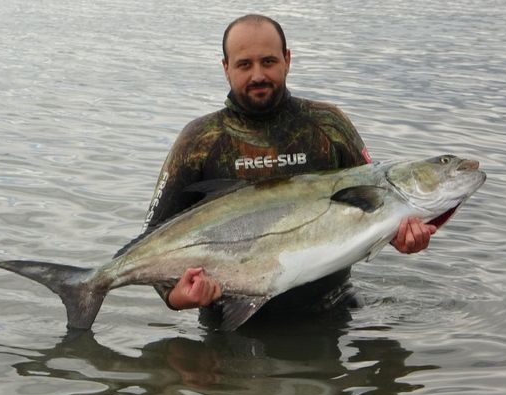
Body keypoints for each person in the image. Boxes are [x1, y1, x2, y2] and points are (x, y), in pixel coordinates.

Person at [141, 14, 435, 319]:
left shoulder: (328, 125)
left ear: (287, 59)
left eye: (268, 61)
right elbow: (155, 239)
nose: (258, 75)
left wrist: (401, 238)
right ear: (226, 67)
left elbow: (376, 206)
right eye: (244, 64)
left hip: (331, 313)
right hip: (231, 326)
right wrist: (178, 297)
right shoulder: (200, 140)